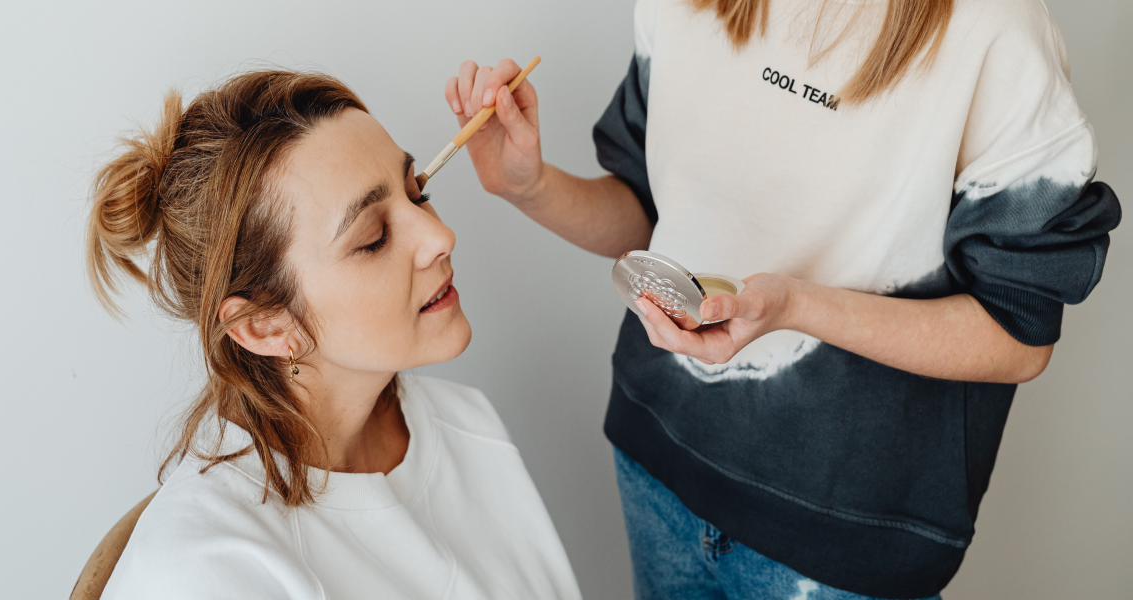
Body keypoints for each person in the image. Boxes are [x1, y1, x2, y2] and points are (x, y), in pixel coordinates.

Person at [445, 0, 1121, 597]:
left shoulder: (996, 28)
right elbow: (653, 217)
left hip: (843, 537)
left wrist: (797, 306)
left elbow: (1016, 334)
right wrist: (527, 185)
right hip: (658, 463)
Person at [87, 70, 582, 600]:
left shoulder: (466, 422)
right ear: (265, 325)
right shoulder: (204, 574)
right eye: (373, 238)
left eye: (418, 192)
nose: (441, 236)